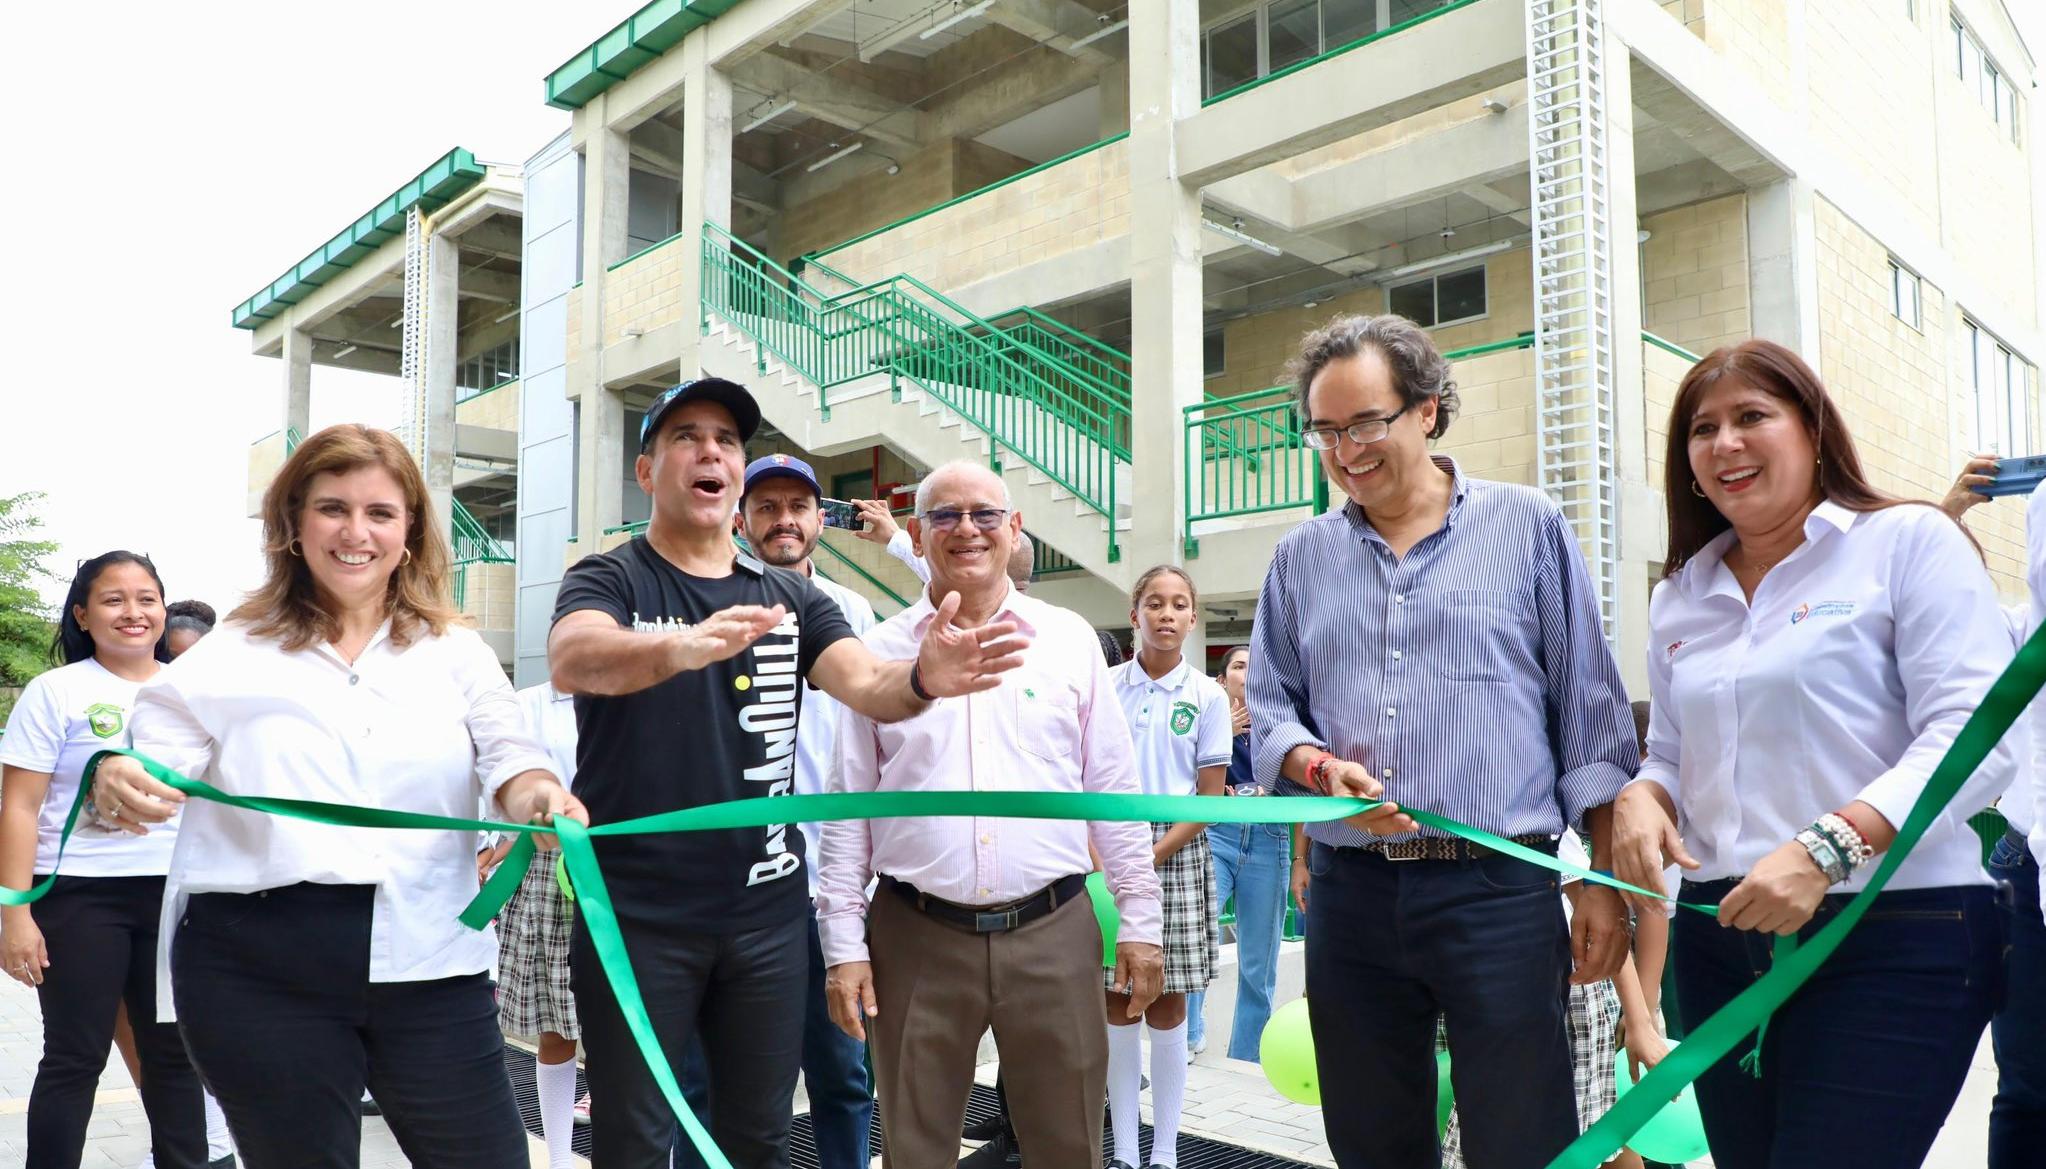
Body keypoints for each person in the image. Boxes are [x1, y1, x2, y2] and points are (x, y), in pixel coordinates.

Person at [546, 381, 1027, 1169]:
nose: (711, 451)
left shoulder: (791, 596)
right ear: (647, 470)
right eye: (686, 437)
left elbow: (867, 683)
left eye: (726, 441)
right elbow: (574, 657)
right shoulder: (612, 578)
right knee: (634, 1140)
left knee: (759, 1139)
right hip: (636, 919)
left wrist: (924, 679)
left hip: (767, 918)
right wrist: (678, 647)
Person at [90, 424, 586, 1168]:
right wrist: (118, 777)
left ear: (410, 528)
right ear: (293, 522)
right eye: (332, 508)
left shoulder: (455, 651)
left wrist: (543, 796)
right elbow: (152, 758)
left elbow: (512, 757)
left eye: (380, 512)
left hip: (432, 963)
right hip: (257, 968)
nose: (357, 531)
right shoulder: (233, 649)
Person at [1611, 340, 2013, 1169]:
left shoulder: (1906, 541)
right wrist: (1644, 794)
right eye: (1702, 428)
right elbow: (1673, 754)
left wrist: (1831, 844)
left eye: (1753, 416)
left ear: (1815, 431)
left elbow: (1980, 734)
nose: (1726, 443)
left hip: (1892, 929)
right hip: (1722, 938)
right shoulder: (1680, 593)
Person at [1249, 313, 1635, 1169]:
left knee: (1520, 1136)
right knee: (1373, 1137)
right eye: (1325, 429)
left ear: (1427, 411)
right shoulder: (1299, 558)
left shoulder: (1527, 527)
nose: (1345, 448)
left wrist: (1604, 887)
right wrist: (1315, 766)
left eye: (1365, 422)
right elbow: (1273, 712)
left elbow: (1592, 714)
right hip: (1351, 895)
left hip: (1497, 888)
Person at [818, 459, 1165, 1169]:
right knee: (914, 1150)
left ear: (1014, 529)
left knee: (1069, 1144)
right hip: (914, 935)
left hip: (1054, 930)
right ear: (915, 534)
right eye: (944, 515)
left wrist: (1141, 920)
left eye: (983, 514)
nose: (965, 529)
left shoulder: (1068, 641)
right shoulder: (880, 652)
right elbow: (847, 811)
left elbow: (1113, 788)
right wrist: (844, 946)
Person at [669, 452, 880, 1169]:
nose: (783, 520)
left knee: (843, 1075)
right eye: (767, 507)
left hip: (829, 885)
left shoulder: (855, 615)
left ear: (821, 519)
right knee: (704, 1078)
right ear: (742, 519)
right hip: (728, 888)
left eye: (798, 506)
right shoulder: (707, 607)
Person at [1, 551, 208, 1169]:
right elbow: (17, 807)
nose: (133, 612)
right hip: (79, 896)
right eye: (113, 599)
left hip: (176, 897)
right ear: (83, 615)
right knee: (75, 1056)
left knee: (175, 1057)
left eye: (146, 598)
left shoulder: (193, 692)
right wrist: (14, 913)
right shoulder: (55, 691)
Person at [1104, 566, 1229, 1169]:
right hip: (1106, 843)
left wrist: (1149, 856)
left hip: (1174, 851)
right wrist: (1111, 852)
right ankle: (1124, 1150)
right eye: (1155, 603)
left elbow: (1208, 800)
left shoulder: (1206, 696)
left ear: (1192, 617)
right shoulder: (1105, 687)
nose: (1167, 615)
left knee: (1168, 1000)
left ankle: (1165, 1152)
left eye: (1180, 605)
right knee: (1114, 998)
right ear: (1135, 614)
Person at [1940, 452, 2044, 1169]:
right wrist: (1945, 523)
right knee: (2031, 1087)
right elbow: (1936, 614)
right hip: (2028, 861)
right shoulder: (2020, 632)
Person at [492, 678, 584, 1169]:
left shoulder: (634, 695)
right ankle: (561, 1156)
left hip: (625, 862)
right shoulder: (526, 704)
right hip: (548, 864)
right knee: (558, 1022)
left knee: (631, 1027)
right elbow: (502, 781)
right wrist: (498, 839)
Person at [1186, 644, 1288, 1063]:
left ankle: (1245, 1057)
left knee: (1258, 962)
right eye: (1239, 665)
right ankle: (1190, 1035)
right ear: (1222, 678)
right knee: (1198, 937)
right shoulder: (1208, 715)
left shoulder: (1280, 720)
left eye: (1255, 666)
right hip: (1218, 834)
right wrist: (1222, 735)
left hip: (1270, 837)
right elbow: (1182, 778)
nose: (1247, 673)